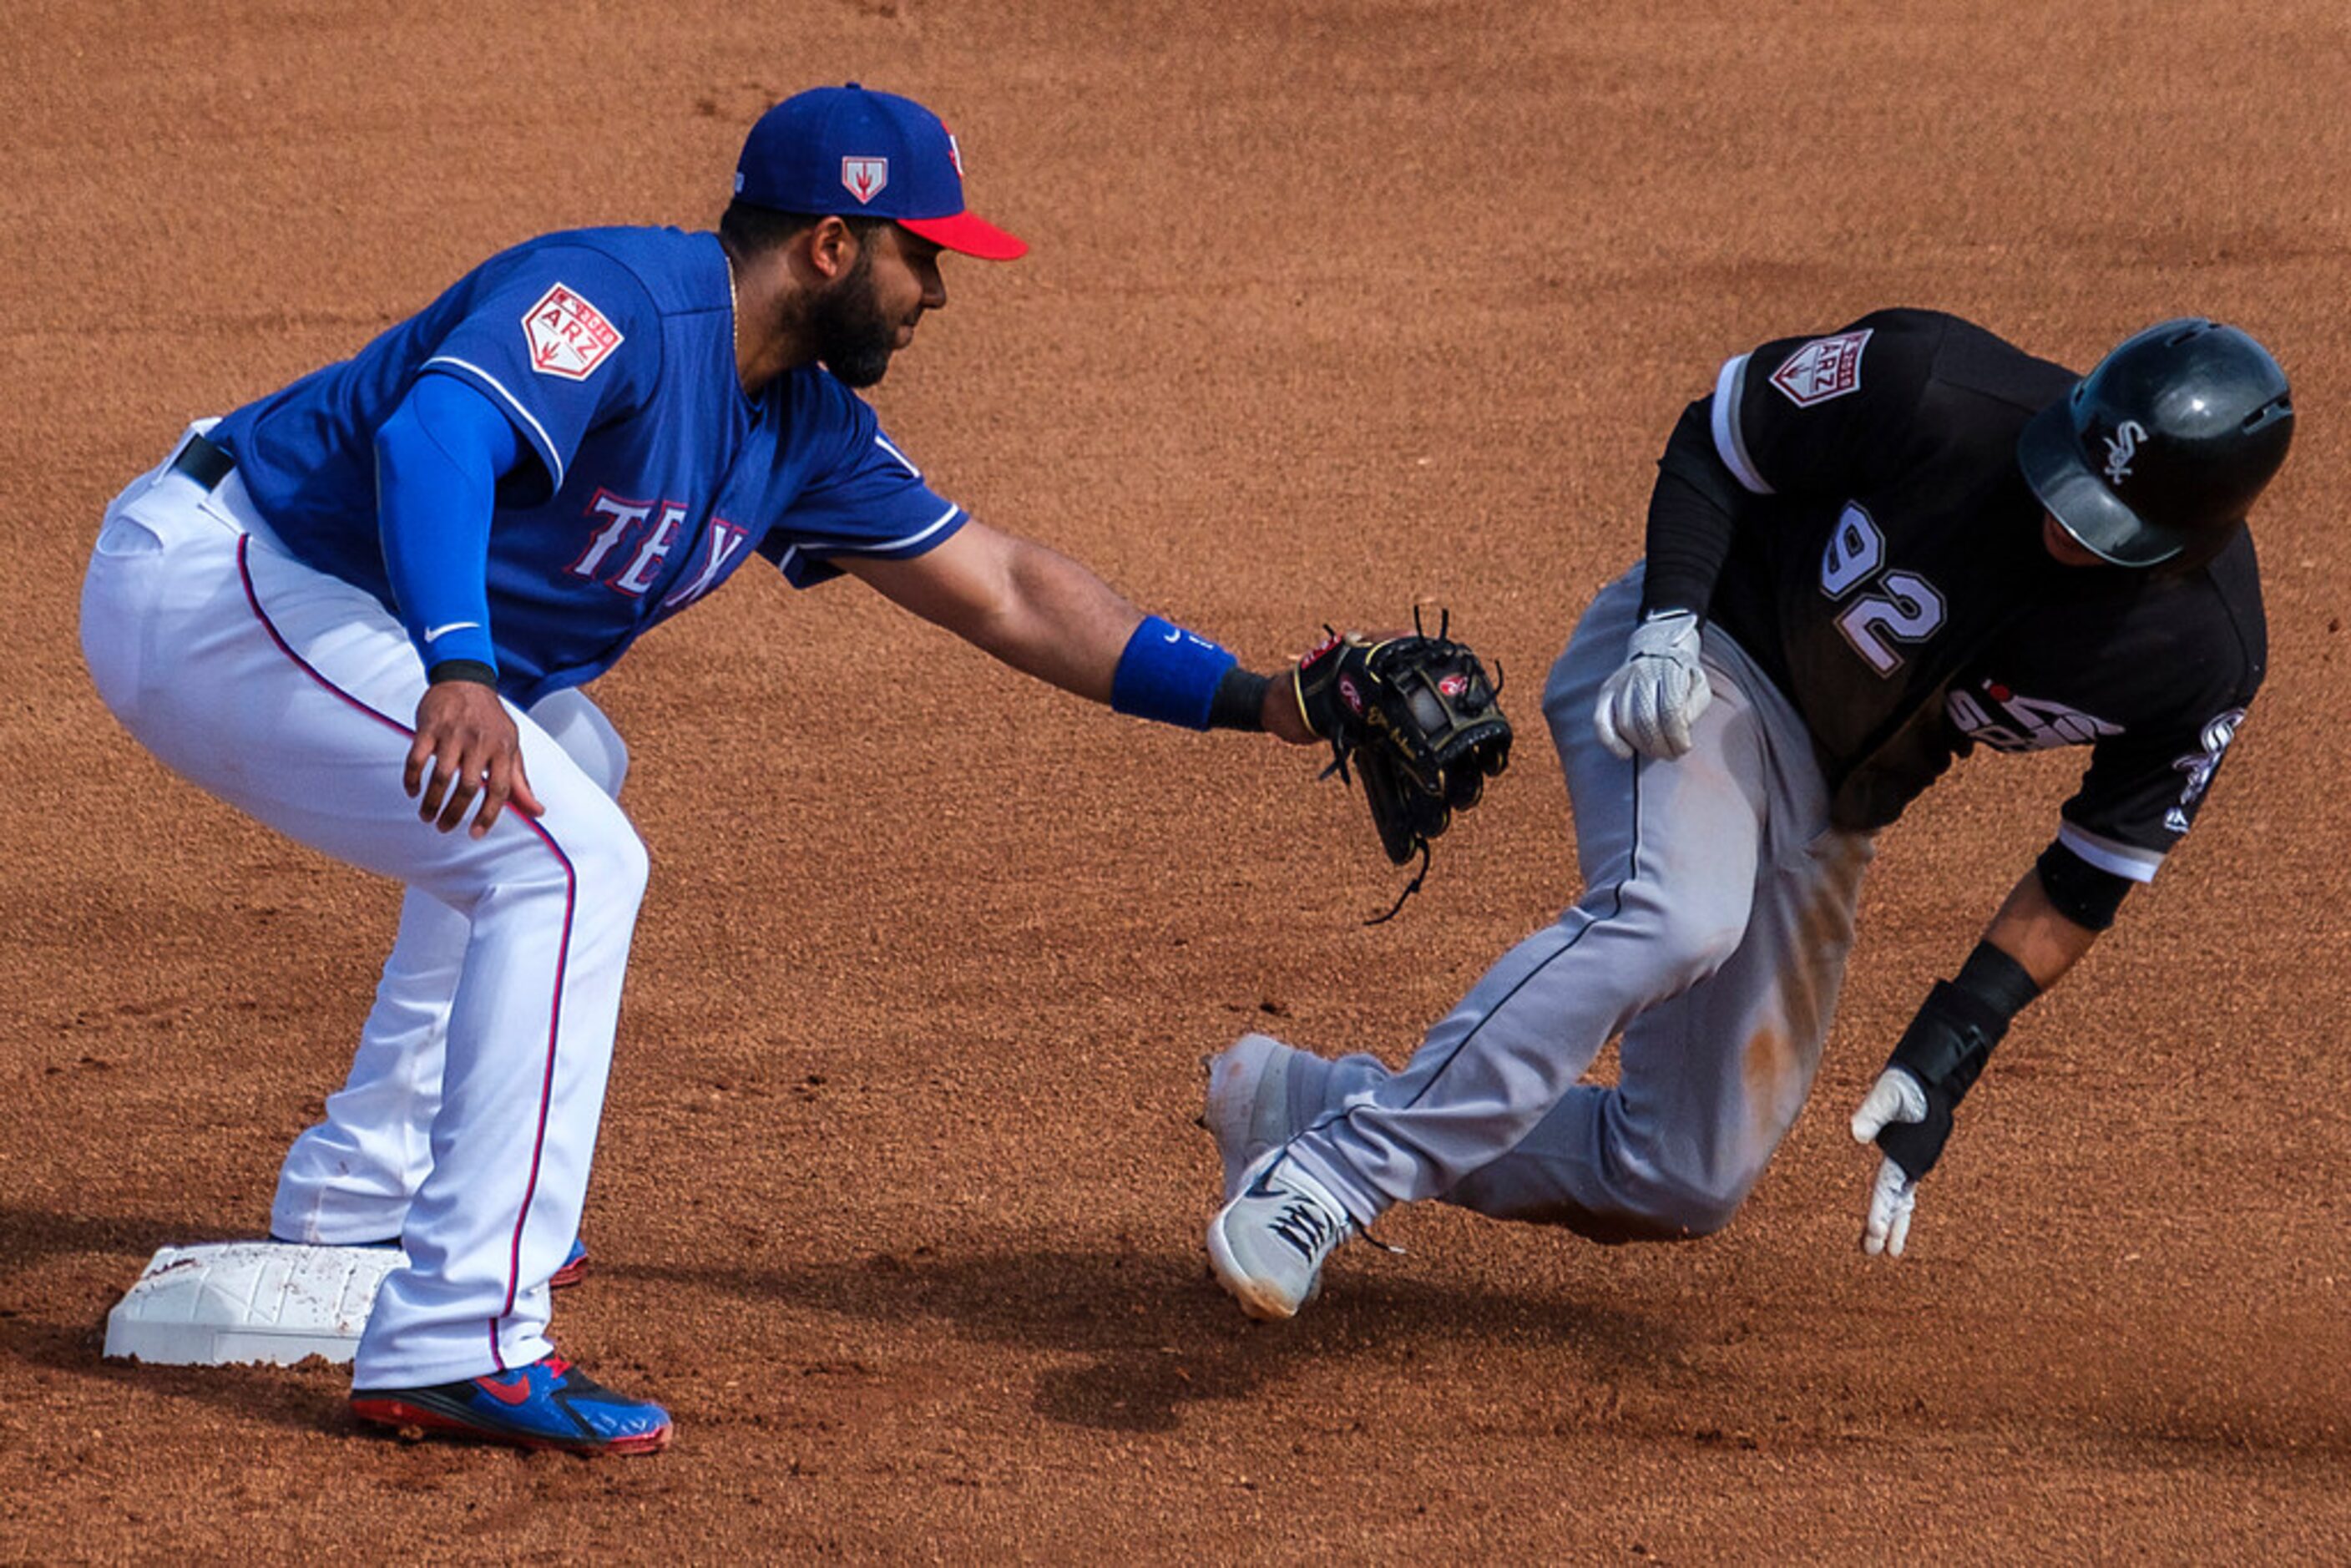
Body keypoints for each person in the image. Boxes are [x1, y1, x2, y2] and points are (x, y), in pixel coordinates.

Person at [80, 83, 1314, 1453]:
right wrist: (464, 670)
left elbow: (1009, 591)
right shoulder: (616, 298)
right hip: (223, 577)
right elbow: (435, 436)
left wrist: (1263, 700)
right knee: (566, 849)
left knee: (572, 770)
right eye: (926, 252)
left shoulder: (802, 427)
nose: (941, 293)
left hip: (329, 611)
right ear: (833, 246)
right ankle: (457, 1337)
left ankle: (370, 1193)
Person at [1201, 309, 2290, 1321]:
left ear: (2195, 538)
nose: (2061, 522)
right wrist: (1669, 618)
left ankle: (1302, 1105)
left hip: (1829, 801)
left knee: (1682, 1171)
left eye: (2102, 523)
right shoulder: (1934, 386)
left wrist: (1953, 1045)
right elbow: (1720, 435)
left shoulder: (2201, 658)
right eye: (2063, 481)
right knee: (1678, 913)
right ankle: (1333, 1176)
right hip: (1701, 667)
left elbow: (2092, 867)